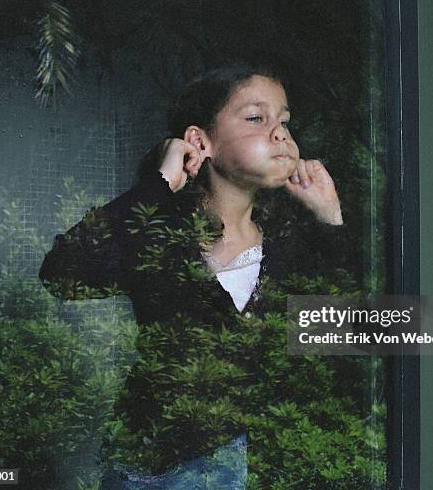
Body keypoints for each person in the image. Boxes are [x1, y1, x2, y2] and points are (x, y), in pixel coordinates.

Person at [39, 64, 345, 488]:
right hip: (149, 466)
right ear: (201, 141)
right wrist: (159, 184)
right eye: (257, 118)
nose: (281, 134)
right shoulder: (161, 236)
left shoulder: (290, 244)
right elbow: (63, 275)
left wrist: (329, 221)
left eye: (285, 122)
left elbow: (344, 347)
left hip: (248, 462)